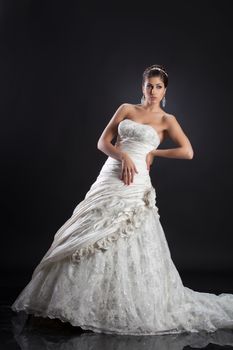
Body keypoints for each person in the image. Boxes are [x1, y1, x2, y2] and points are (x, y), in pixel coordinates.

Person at [11, 64, 233, 336]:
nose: (153, 91)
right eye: (149, 85)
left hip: (136, 180)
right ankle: (68, 307)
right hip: (112, 173)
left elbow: (188, 151)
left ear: (165, 90)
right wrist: (123, 155)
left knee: (128, 233)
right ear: (142, 87)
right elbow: (103, 143)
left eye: (158, 87)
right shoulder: (126, 109)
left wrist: (154, 154)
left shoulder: (167, 120)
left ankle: (115, 305)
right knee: (90, 229)